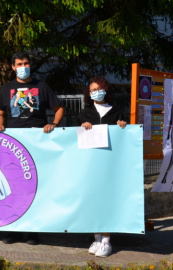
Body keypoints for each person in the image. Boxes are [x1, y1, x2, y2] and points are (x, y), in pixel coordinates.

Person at [0, 52, 65, 245]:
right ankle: (14, 230)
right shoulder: (7, 88)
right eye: (19, 64)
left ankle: (33, 231)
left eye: (26, 63)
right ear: (13, 67)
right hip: (14, 144)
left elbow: (59, 108)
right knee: (13, 187)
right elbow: (1, 114)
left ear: (31, 64)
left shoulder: (41, 87)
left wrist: (54, 125)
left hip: (37, 144)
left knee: (34, 187)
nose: (23, 66)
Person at [74, 76, 127, 258]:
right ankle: (96, 237)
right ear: (89, 94)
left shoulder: (117, 112)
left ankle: (106, 240)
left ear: (106, 89)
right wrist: (81, 126)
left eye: (99, 88)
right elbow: (71, 137)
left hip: (110, 166)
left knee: (107, 201)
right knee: (92, 201)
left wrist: (122, 126)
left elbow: (126, 136)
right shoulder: (84, 114)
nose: (96, 92)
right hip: (90, 167)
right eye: (92, 90)